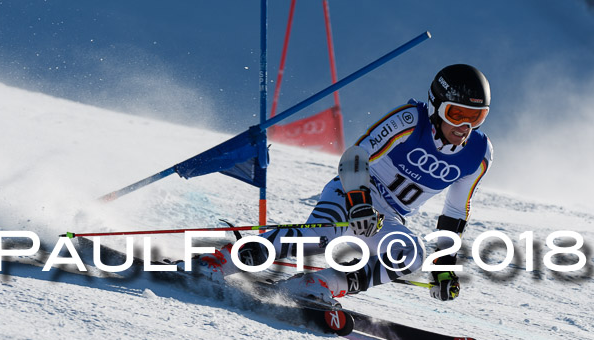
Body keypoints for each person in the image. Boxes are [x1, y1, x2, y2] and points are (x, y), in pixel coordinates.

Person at [194, 64, 493, 306]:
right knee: (320, 238)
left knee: (411, 255)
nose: (464, 127)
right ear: (436, 106)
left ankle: (318, 284)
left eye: (476, 117)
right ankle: (222, 260)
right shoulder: (410, 120)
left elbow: (455, 210)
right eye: (457, 114)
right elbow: (354, 157)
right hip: (351, 193)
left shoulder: (478, 154)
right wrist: (359, 202)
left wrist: (444, 265)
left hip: (386, 218)